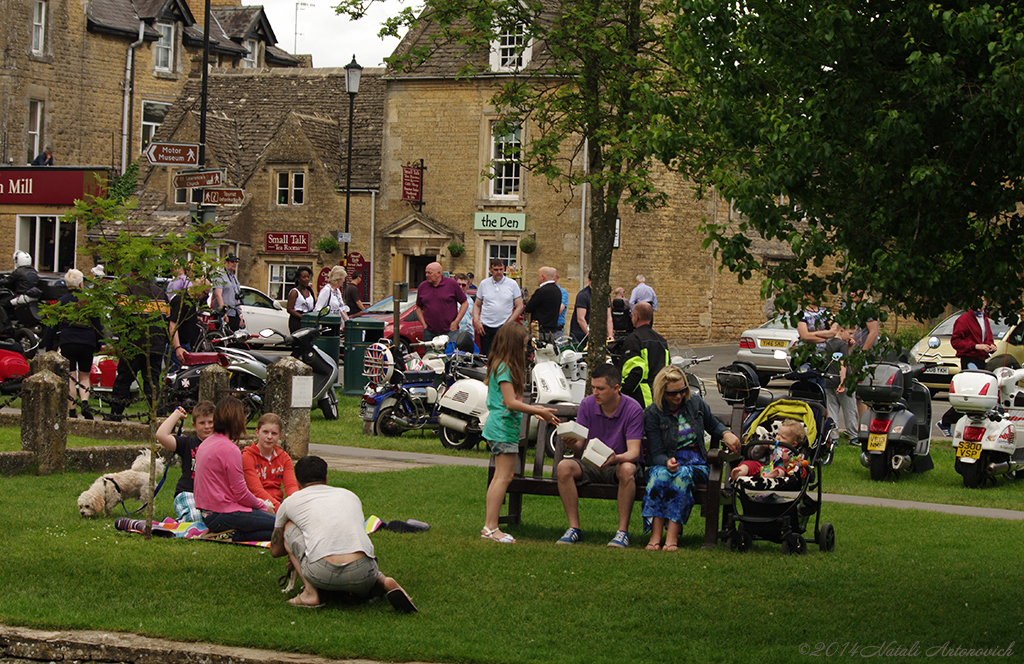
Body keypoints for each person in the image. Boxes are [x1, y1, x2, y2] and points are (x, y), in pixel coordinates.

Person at [269, 455, 418, 612]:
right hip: (364, 572)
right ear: (326, 479)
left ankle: (310, 593)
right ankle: (382, 580)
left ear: (297, 482)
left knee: (288, 526)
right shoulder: (350, 496)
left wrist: (297, 552)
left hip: (322, 572)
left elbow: (275, 551)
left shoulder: (290, 502)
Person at [644, 365, 741, 551]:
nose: (678, 397)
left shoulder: (695, 404)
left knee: (681, 475)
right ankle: (655, 537)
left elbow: (714, 425)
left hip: (696, 465)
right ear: (662, 391)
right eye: (672, 393)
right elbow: (655, 453)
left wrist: (726, 433)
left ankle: (671, 538)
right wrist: (666, 461)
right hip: (666, 462)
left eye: (682, 391)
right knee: (660, 476)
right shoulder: (653, 413)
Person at [481, 322, 560, 543]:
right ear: (514, 345)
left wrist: (533, 411)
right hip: (503, 427)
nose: (526, 350)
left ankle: (489, 527)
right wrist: (538, 410)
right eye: (524, 346)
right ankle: (491, 528)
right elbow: (510, 403)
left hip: (503, 426)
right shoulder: (504, 367)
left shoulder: (500, 365)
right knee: (503, 477)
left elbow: (510, 402)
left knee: (500, 477)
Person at [555, 364, 644, 548]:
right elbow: (580, 446)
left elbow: (634, 452)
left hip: (619, 463)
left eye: (600, 389)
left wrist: (615, 458)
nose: (595, 393)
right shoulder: (588, 404)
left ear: (616, 388)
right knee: (564, 466)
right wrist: (572, 443)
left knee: (627, 469)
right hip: (591, 464)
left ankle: (622, 532)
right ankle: (574, 528)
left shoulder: (632, 408)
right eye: (593, 387)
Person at [194, 397, 277, 541]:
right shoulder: (230, 449)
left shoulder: (206, 443)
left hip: (208, 515)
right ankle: (233, 535)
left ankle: (230, 535)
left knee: (276, 529)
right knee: (283, 526)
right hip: (224, 513)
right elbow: (241, 493)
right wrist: (263, 507)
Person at [43, 269, 101, 419]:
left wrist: (49, 347)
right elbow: (98, 326)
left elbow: (52, 326)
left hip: (68, 340)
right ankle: (86, 403)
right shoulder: (89, 302)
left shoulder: (61, 301)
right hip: (87, 341)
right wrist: (98, 344)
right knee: (84, 376)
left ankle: (72, 410)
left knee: (71, 376)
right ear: (81, 283)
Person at [108, 277, 167, 422]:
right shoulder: (160, 293)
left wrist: (121, 339)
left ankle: (115, 415)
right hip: (156, 345)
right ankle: (158, 417)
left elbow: (118, 317)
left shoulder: (128, 291)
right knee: (152, 384)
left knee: (123, 380)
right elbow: (167, 319)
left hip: (134, 344)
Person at [938, 301, 997, 436]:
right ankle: (946, 420)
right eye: (977, 299)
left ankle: (966, 424)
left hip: (982, 359)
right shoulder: (963, 320)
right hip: (969, 359)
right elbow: (956, 341)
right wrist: (975, 346)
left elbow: (988, 339)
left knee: (980, 394)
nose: (981, 303)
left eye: (983, 299)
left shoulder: (985, 318)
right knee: (971, 395)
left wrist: (991, 346)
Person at [155, 401, 216, 522]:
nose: (207, 426)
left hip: (212, 496)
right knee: (195, 518)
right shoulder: (188, 443)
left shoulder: (222, 444)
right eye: (202, 423)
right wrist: (176, 415)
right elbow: (161, 435)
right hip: (188, 492)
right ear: (194, 425)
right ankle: (176, 523)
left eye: (211, 422)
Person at [242, 413, 299, 512]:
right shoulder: (247, 456)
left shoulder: (284, 457)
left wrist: (296, 504)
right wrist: (280, 510)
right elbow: (256, 490)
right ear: (257, 432)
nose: (269, 437)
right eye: (265, 432)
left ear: (280, 435)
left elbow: (291, 486)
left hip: (279, 502)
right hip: (258, 504)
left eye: (274, 433)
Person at [620, 302, 669, 409]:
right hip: (661, 397)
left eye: (632, 315)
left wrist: (621, 394)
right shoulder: (662, 341)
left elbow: (636, 371)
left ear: (636, 317)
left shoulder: (634, 339)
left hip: (642, 399)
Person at [473, 259, 523, 355]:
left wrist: (508, 324)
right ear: (490, 269)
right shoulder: (484, 284)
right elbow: (477, 304)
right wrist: (476, 321)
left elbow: (519, 306)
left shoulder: (512, 284)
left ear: (504, 268)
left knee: (501, 356)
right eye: (495, 270)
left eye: (501, 269)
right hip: (485, 327)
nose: (499, 272)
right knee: (486, 357)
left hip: (503, 326)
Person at [730, 419, 806, 481]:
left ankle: (771, 475)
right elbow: (755, 456)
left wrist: (787, 463)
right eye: (778, 434)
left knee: (781, 470)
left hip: (779, 470)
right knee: (749, 463)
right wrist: (763, 446)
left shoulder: (794, 453)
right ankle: (740, 471)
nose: (778, 438)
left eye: (783, 437)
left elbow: (795, 470)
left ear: (794, 444)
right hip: (763, 466)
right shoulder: (770, 441)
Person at [415, 261, 468, 341]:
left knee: (450, 353)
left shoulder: (452, 284)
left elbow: (465, 303)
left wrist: (456, 322)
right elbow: (418, 307)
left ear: (439, 273)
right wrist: (424, 325)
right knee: (430, 354)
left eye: (430, 273)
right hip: (429, 332)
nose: (427, 275)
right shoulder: (423, 286)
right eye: (426, 273)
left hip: (450, 331)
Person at [823, 327, 858, 437]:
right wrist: (842, 382)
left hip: (829, 379)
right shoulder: (842, 344)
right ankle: (853, 435)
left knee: (832, 410)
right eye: (850, 333)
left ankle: (833, 436)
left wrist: (850, 347)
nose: (851, 336)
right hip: (840, 379)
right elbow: (843, 364)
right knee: (850, 409)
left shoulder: (828, 343)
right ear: (842, 330)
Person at [168, 279, 209, 367]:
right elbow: (172, 325)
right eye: (205, 294)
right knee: (176, 373)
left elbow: (184, 317)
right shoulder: (180, 300)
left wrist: (196, 319)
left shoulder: (192, 301)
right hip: (177, 345)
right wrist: (177, 347)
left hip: (186, 343)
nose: (205, 297)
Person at [523, 266, 563, 339]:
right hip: (553, 330)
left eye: (538, 276)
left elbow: (528, 308)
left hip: (541, 331)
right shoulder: (557, 291)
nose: (537, 279)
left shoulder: (542, 291)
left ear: (543, 277)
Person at [213, 253, 245, 332]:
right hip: (225, 314)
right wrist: (223, 313)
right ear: (225, 262)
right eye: (232, 261)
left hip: (234, 313)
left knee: (235, 339)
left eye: (236, 262)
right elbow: (218, 295)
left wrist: (240, 314)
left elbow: (237, 296)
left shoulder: (233, 277)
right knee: (224, 339)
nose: (234, 264)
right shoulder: (219, 275)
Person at [285, 267, 316, 334]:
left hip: (308, 320)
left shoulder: (309, 291)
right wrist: (302, 317)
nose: (307, 279)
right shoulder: (294, 292)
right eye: (304, 277)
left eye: (308, 277)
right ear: (298, 279)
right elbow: (289, 309)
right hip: (297, 321)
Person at [569, 273, 592, 344]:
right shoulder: (583, 295)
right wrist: (590, 335)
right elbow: (580, 319)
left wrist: (610, 335)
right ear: (589, 280)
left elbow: (608, 317)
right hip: (580, 334)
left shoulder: (603, 296)